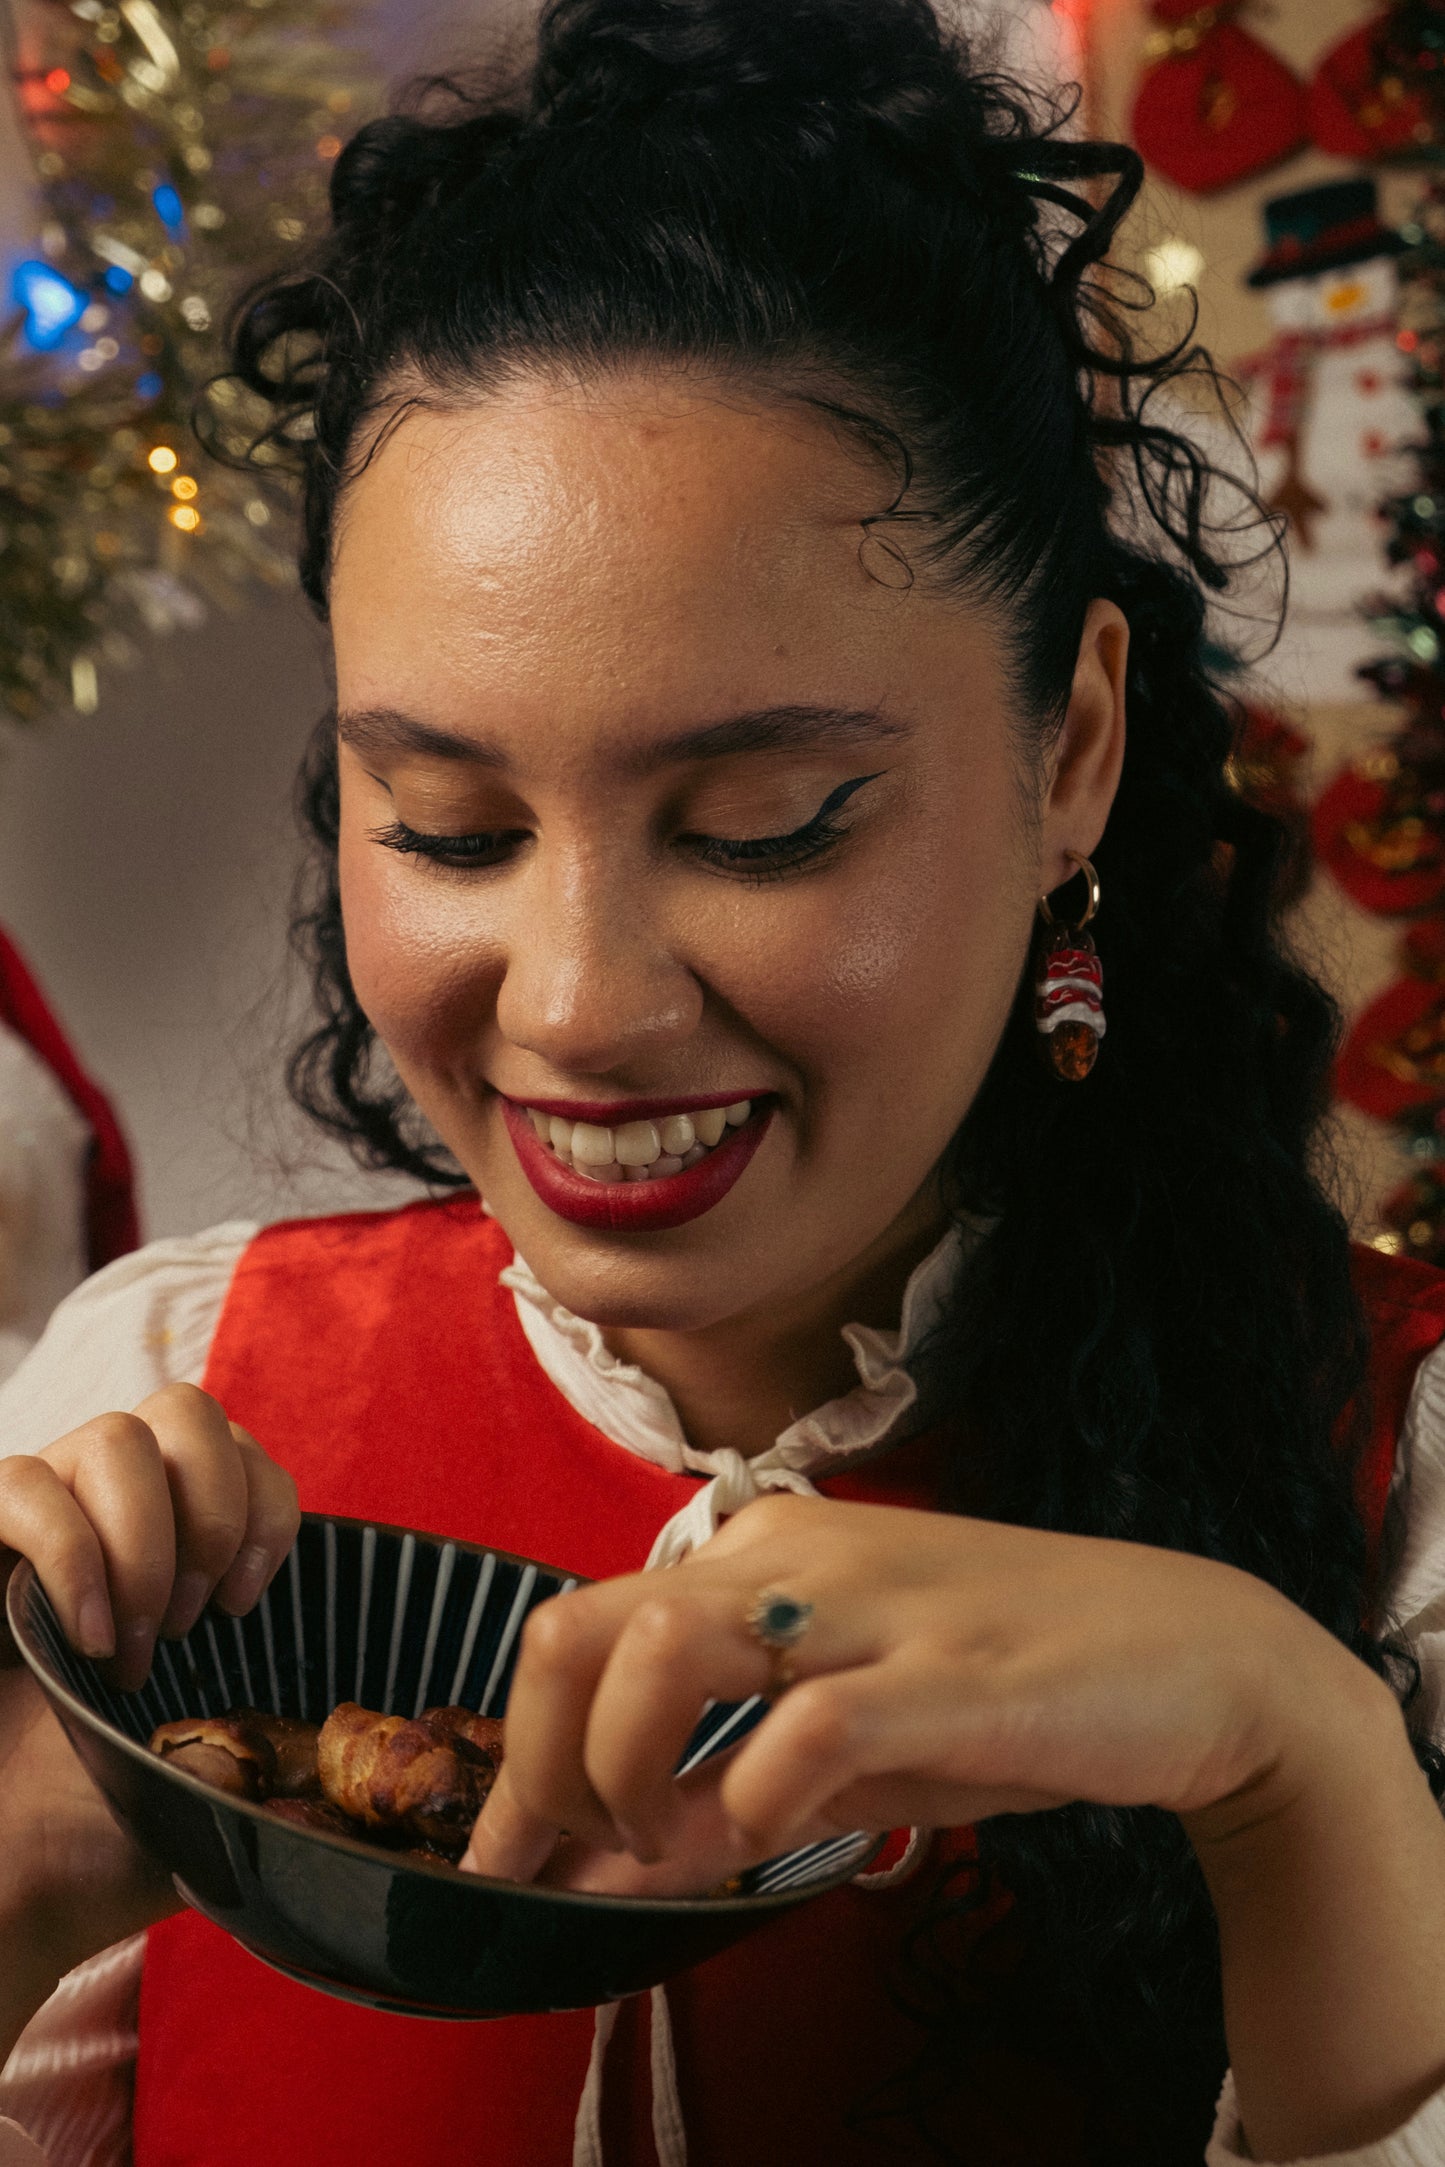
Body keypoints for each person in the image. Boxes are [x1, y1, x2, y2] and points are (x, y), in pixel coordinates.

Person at [2, 2, 1445, 2162]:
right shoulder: (160, 1391)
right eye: (450, 826)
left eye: (767, 820)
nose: (577, 1003)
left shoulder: (1405, 1476)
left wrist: (1296, 1755)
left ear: (1074, 754)